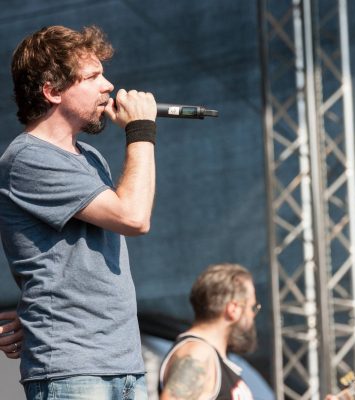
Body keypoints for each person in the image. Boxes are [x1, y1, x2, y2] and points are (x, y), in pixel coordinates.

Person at [0, 25, 157, 400]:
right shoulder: (28, 159)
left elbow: (71, 264)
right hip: (73, 369)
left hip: (124, 363)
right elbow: (133, 217)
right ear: (52, 91)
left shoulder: (90, 157)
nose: (109, 86)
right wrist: (140, 131)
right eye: (92, 77)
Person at [159, 263, 261, 400]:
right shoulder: (198, 353)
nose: (252, 315)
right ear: (234, 309)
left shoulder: (208, 354)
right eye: (252, 307)